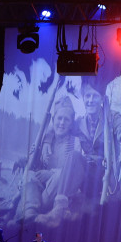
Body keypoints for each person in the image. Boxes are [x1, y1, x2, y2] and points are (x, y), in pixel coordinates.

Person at [23, 95, 88, 225]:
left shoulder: (75, 143)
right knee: (29, 175)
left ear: (71, 124)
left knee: (59, 176)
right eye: (59, 118)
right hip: (39, 190)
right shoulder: (44, 140)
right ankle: (30, 213)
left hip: (56, 192)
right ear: (53, 120)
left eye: (66, 120)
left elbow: (72, 172)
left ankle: (41, 210)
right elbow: (32, 165)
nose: (62, 123)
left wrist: (51, 173)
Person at [77, 79, 121, 203]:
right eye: (87, 96)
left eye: (95, 96)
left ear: (101, 99)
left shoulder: (112, 117)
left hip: (111, 173)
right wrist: (47, 140)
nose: (90, 100)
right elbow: (60, 125)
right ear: (83, 98)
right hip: (90, 180)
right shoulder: (79, 123)